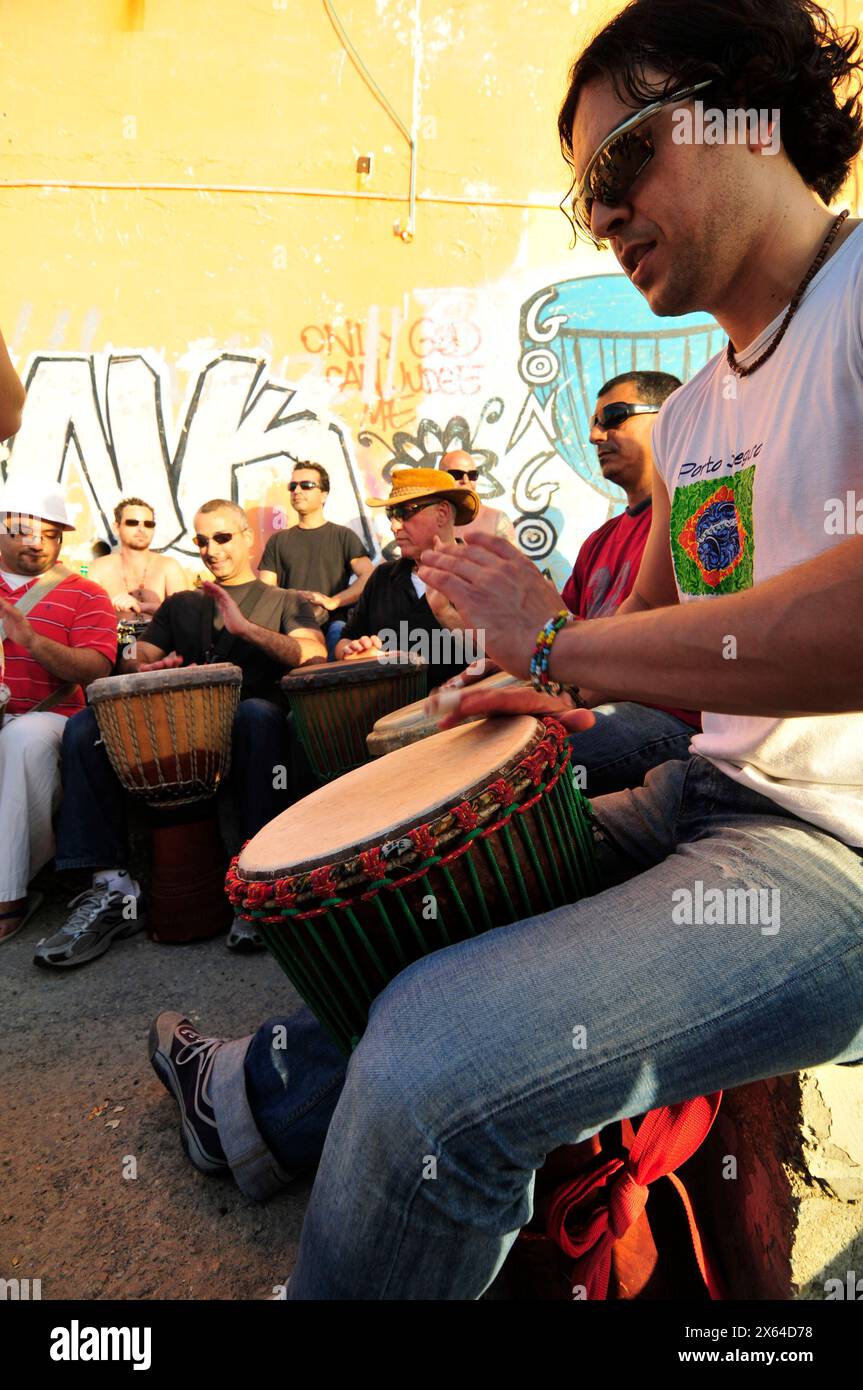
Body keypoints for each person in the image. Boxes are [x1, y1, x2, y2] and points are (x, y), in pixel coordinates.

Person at [148, 0, 863, 1302]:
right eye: (579, 191)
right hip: (707, 800)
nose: (596, 214)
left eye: (617, 164)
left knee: (436, 1062)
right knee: (415, 895)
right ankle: (247, 1106)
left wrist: (560, 631)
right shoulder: (699, 403)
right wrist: (533, 674)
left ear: (743, 110)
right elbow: (629, 653)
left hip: (834, 860)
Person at [40, 499, 326, 966]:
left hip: (249, 736)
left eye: (222, 537)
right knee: (85, 724)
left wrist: (245, 629)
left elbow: (313, 655)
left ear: (248, 537)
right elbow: (137, 656)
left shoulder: (285, 601)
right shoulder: (182, 604)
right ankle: (111, 886)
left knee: (256, 713)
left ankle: (257, 880)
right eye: (201, 540)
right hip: (176, 736)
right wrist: (143, 657)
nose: (211, 549)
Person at [450, 369, 700, 797]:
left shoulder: (694, 515)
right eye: (594, 423)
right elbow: (561, 631)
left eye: (614, 417)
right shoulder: (596, 542)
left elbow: (653, 651)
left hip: (667, 715)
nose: (595, 436)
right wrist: (520, 658)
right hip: (593, 698)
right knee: (467, 745)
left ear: (670, 418)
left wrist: (570, 697)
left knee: (518, 761)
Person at [0, 484, 117, 943]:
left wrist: (32, 641)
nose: (37, 542)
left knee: (23, 740)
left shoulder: (86, 594)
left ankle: (9, 893)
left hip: (49, 719)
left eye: (51, 535)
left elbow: (96, 666)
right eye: (25, 530)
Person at [333, 468, 480, 688]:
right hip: (387, 714)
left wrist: (447, 614)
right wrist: (354, 651)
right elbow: (345, 639)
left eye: (406, 512)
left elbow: (508, 658)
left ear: (442, 513)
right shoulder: (382, 578)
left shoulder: (482, 575)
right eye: (391, 514)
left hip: (467, 716)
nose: (394, 526)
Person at [258, 461, 374, 660]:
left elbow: (369, 577)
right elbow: (265, 589)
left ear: (324, 495)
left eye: (306, 485)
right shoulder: (278, 541)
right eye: (292, 486)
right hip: (292, 630)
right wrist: (292, 598)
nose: (297, 490)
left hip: (334, 628)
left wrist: (333, 602)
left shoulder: (343, 536)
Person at [89, 498, 189, 618]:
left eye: (148, 524)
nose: (141, 529)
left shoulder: (169, 566)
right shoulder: (99, 568)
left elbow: (184, 613)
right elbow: (89, 613)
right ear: (116, 527)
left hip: (158, 637)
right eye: (132, 523)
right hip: (113, 636)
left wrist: (143, 606)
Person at [440, 449, 516, 543]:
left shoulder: (497, 520)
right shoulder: (427, 519)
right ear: (441, 477)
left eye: (472, 475)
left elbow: (512, 557)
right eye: (457, 474)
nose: (465, 480)